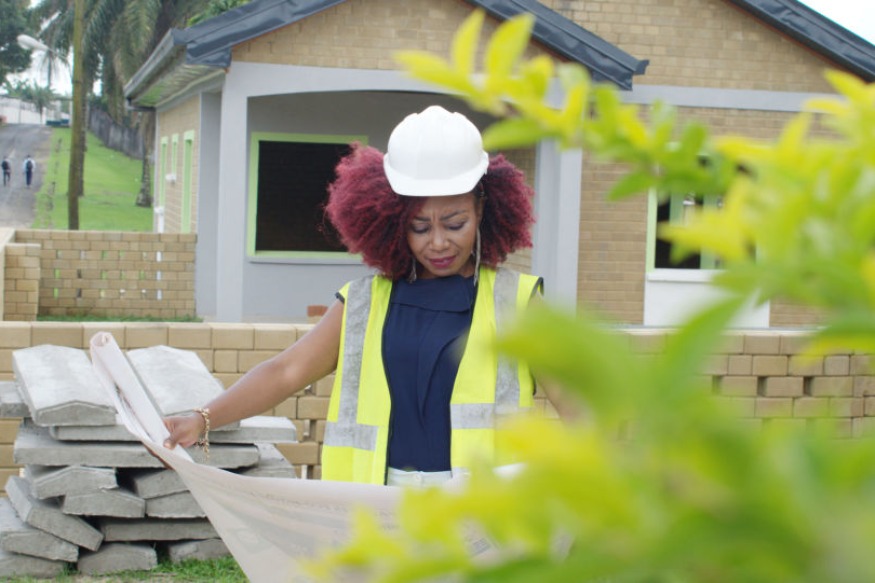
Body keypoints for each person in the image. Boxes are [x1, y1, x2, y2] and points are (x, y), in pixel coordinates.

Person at [163, 105, 550, 487]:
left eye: (455, 223)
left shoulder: (517, 302)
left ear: (482, 208)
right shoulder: (363, 303)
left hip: (486, 512)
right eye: (419, 227)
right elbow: (285, 372)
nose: (437, 242)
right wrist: (202, 419)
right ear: (393, 221)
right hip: (375, 507)